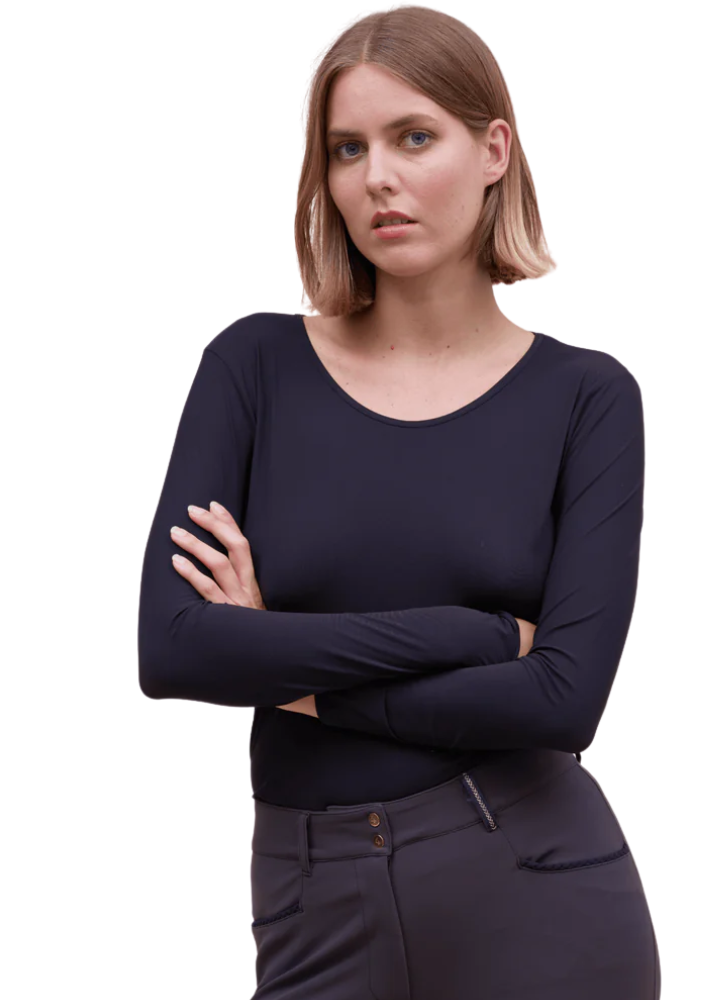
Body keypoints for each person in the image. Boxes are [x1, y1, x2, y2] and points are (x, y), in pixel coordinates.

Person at [137, 6, 660, 998]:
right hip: (312, 895)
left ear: (493, 150)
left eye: (414, 137)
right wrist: (476, 636)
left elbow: (563, 700)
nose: (376, 175)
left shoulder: (586, 398)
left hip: (537, 887)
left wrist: (280, 661)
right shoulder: (254, 366)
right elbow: (173, 652)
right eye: (347, 148)